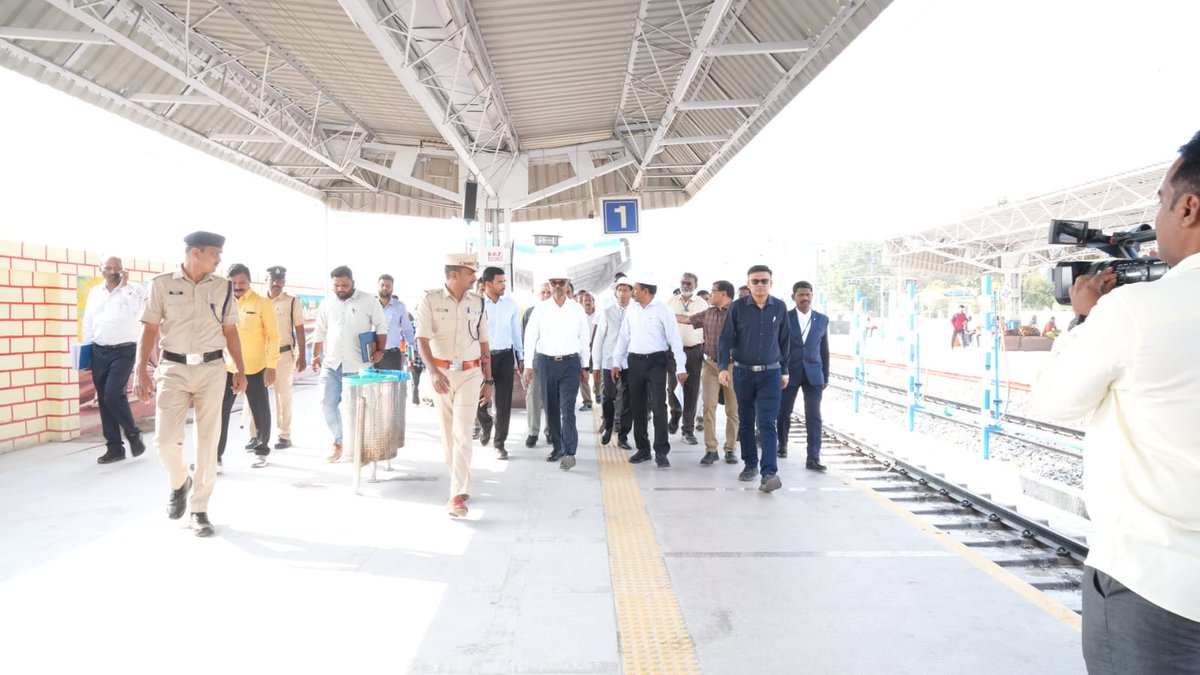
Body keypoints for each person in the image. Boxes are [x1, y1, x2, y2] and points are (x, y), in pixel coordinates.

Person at [1032, 131, 1200, 674]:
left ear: (1190, 206)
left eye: (1160, 201)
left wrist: (1084, 318)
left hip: (1156, 590)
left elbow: (1053, 401)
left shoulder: (1134, 311)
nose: (1157, 218)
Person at [134, 231, 245, 537]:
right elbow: (150, 330)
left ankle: (199, 508)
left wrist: (240, 369)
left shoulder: (222, 287)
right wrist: (139, 370)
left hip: (211, 369)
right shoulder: (161, 285)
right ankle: (180, 481)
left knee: (208, 442)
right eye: (214, 254)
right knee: (166, 441)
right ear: (195, 253)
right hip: (173, 368)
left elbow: (231, 331)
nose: (219, 260)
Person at [416, 254, 492, 518]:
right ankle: (460, 482)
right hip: (443, 374)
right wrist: (433, 372)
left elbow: (484, 344)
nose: (475, 277)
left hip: (471, 374)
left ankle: (456, 496)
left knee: (462, 433)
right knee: (448, 435)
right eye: (470, 272)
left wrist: (488, 379)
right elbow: (421, 340)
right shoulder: (430, 301)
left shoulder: (478, 303)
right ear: (454, 274)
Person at [717, 264, 790, 493]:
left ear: (771, 283)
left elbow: (785, 341)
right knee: (746, 421)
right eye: (755, 281)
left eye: (764, 281)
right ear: (748, 284)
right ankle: (750, 465)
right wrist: (722, 368)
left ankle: (769, 473)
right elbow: (726, 339)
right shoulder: (738, 308)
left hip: (771, 373)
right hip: (742, 373)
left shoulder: (779, 306)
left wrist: (785, 370)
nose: (760, 285)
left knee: (767, 422)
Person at [310, 265, 387, 462]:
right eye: (337, 285)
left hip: (358, 366)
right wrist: (315, 355)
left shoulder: (368, 300)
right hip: (332, 363)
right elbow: (320, 330)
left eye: (345, 285)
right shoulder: (327, 303)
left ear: (353, 282)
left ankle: (360, 445)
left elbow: (381, 326)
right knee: (327, 404)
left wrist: (380, 351)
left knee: (357, 409)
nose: (341, 289)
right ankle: (339, 441)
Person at [612, 272, 687, 467]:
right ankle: (643, 449)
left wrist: (681, 367)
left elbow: (675, 340)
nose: (632, 292)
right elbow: (623, 337)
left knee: (658, 407)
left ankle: (661, 451)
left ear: (645, 290)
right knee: (638, 407)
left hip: (656, 362)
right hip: (634, 362)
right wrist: (616, 362)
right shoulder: (631, 310)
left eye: (635, 289)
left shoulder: (663, 310)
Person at [523, 270, 591, 470]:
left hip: (570, 364)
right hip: (546, 364)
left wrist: (585, 365)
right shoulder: (540, 309)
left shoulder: (577, 309)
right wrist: (528, 365)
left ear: (568, 284)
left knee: (567, 409)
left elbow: (584, 338)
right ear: (550, 285)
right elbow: (530, 337)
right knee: (551, 408)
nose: (558, 286)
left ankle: (570, 452)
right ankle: (558, 447)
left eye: (562, 282)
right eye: (554, 282)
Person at [82, 256, 147, 464]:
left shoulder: (134, 290)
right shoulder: (94, 293)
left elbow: (140, 312)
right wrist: (87, 351)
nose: (112, 271)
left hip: (125, 350)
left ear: (122, 270)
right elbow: (88, 323)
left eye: (116, 268)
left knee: (112, 394)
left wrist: (125, 286)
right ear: (100, 269)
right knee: (103, 398)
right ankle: (114, 448)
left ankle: (132, 433)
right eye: (108, 268)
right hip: (99, 350)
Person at [214, 264, 279, 469]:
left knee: (260, 409)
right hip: (228, 368)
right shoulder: (221, 304)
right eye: (233, 283)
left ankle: (261, 451)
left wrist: (271, 365)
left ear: (249, 281)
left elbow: (273, 335)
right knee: (219, 412)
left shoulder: (262, 303)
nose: (238, 286)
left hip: (255, 367)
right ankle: (215, 457)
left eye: (242, 282)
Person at [677, 280, 739, 466]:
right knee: (708, 407)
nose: (710, 295)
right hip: (710, 365)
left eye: (713, 291)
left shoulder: (737, 313)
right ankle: (711, 449)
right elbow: (688, 319)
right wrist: (665, 315)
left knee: (732, 410)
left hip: (732, 367)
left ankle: (730, 449)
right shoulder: (708, 313)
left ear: (724, 294)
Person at [776, 281, 829, 470]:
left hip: (814, 374)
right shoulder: (785, 318)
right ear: (794, 297)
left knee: (814, 416)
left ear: (812, 296)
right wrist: (782, 371)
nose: (805, 298)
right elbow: (779, 347)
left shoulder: (822, 319)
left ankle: (813, 457)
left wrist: (826, 376)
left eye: (808, 294)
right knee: (783, 412)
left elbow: (824, 349)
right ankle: (781, 444)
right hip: (789, 373)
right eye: (801, 295)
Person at [255, 265, 305, 449]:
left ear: (284, 282)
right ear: (266, 281)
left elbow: (299, 329)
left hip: (283, 355)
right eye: (273, 280)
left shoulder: (292, 302)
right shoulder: (257, 300)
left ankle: (284, 434)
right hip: (259, 356)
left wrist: (302, 356)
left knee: (283, 396)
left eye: (280, 280)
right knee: (254, 396)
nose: (277, 283)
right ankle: (256, 435)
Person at [477, 266, 523, 459]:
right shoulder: (477, 305)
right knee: (477, 398)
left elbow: (515, 332)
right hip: (481, 357)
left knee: (504, 403)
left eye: (504, 281)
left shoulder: (510, 304)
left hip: (505, 356)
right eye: (500, 282)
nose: (504, 285)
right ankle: (486, 423)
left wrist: (520, 356)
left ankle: (499, 443)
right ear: (488, 284)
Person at [592, 276, 634, 450]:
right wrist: (596, 365)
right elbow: (599, 340)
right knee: (608, 397)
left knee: (627, 400)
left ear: (632, 292)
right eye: (620, 290)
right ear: (615, 292)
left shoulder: (636, 311)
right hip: (610, 362)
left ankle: (623, 435)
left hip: (629, 363)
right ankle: (608, 426)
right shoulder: (607, 312)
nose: (622, 293)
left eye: (626, 290)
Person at [666, 272, 707, 444]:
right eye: (683, 282)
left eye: (689, 283)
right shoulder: (670, 302)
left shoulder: (702, 303)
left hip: (694, 351)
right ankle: (675, 413)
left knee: (691, 390)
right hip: (673, 352)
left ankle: (688, 429)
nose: (686, 285)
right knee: (672, 387)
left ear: (695, 285)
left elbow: (706, 324)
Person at [523, 282, 552, 448]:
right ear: (538, 294)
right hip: (534, 363)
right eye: (543, 293)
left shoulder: (559, 312)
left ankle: (550, 431)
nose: (546, 295)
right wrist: (524, 363)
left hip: (553, 363)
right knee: (533, 397)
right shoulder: (529, 313)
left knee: (552, 398)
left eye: (548, 292)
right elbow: (525, 339)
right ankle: (533, 432)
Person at [377, 274, 415, 371]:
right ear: (378, 287)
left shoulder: (399, 307)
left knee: (395, 385)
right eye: (382, 285)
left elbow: (408, 331)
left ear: (392, 288)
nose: (385, 288)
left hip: (392, 356)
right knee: (373, 386)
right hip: (373, 356)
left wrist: (411, 353)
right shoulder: (371, 306)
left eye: (388, 286)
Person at [576, 290, 599, 411]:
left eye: (589, 300)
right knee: (583, 375)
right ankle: (587, 401)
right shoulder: (579, 316)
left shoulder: (599, 315)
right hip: (583, 347)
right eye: (585, 301)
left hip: (597, 347)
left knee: (597, 371)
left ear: (594, 302)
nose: (587, 303)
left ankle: (598, 392)